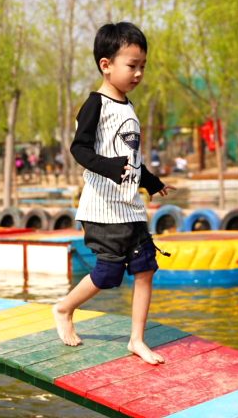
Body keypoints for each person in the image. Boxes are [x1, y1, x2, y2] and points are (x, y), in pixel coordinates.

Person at [52, 22, 176, 365]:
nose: (137, 73)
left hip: (131, 207)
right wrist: (106, 166)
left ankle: (136, 339)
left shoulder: (129, 107)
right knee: (107, 274)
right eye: (131, 65)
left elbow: (132, 158)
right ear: (106, 65)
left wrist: (151, 182)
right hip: (102, 208)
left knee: (145, 268)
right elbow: (80, 149)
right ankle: (63, 309)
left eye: (142, 67)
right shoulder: (96, 104)